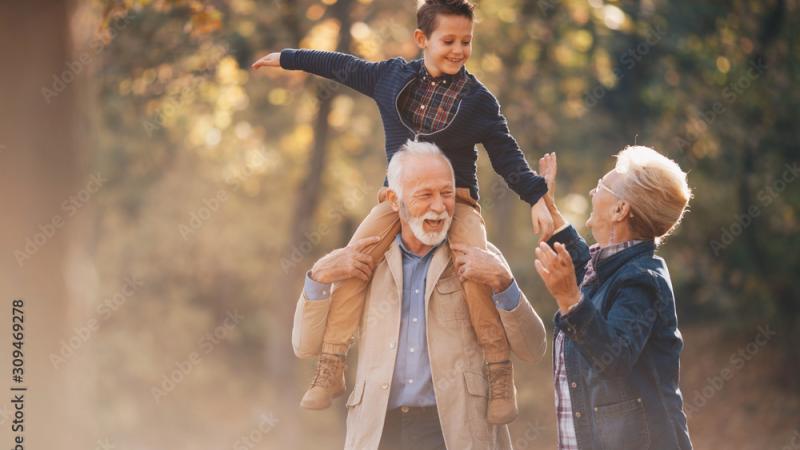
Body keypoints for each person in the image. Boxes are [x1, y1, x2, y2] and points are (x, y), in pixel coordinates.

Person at [253, 0, 553, 423]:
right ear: (422, 39)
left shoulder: (479, 102)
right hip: (397, 198)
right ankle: (332, 365)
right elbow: (340, 64)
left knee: (472, 270)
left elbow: (507, 156)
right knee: (356, 261)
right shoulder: (390, 77)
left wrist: (537, 196)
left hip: (458, 200)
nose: (458, 50)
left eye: (466, 41)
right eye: (448, 40)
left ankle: (499, 373)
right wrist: (288, 58)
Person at [291, 142, 547, 449]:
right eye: (425, 195)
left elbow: (534, 349)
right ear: (393, 200)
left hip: (454, 433)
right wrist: (319, 276)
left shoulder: (480, 257)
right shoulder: (365, 262)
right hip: (378, 433)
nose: (439, 206)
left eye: (447, 193)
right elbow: (304, 345)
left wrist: (505, 283)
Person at [533, 147, 694, 449]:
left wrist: (569, 298)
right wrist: (549, 207)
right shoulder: (609, 269)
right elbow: (583, 263)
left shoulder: (642, 280)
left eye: (601, 185)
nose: (593, 190)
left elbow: (614, 357)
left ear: (620, 210)